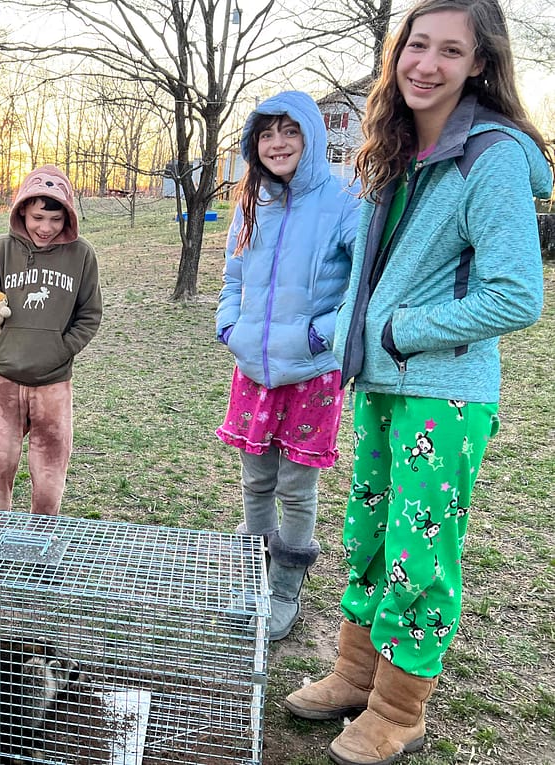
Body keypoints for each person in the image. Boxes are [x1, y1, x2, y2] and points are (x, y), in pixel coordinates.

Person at [283, 0, 552, 762]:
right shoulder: (396, 150)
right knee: (368, 532)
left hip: (446, 388)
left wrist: (399, 329)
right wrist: (353, 336)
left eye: (449, 50)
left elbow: (516, 294)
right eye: (416, 45)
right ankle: (355, 671)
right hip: (382, 384)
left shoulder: (490, 156)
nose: (425, 64)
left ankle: (400, 708)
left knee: (419, 550)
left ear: (480, 64)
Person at [215, 90, 360, 642]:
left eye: (290, 131)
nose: (277, 143)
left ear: (312, 137)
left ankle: (286, 588)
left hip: (311, 372)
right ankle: (255, 577)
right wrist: (231, 328)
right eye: (267, 133)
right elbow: (232, 276)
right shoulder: (252, 201)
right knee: (256, 481)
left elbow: (360, 283)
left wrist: (322, 334)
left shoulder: (346, 198)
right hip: (253, 365)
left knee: (297, 486)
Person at [0, 165, 102, 516]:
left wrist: (62, 348)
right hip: (5, 382)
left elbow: (90, 314)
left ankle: (43, 545)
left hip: (53, 386)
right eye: (38, 217)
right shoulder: (0, 251)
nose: (46, 228)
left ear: (67, 217)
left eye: (55, 219)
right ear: (22, 209)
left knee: (49, 473)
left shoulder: (82, 255)